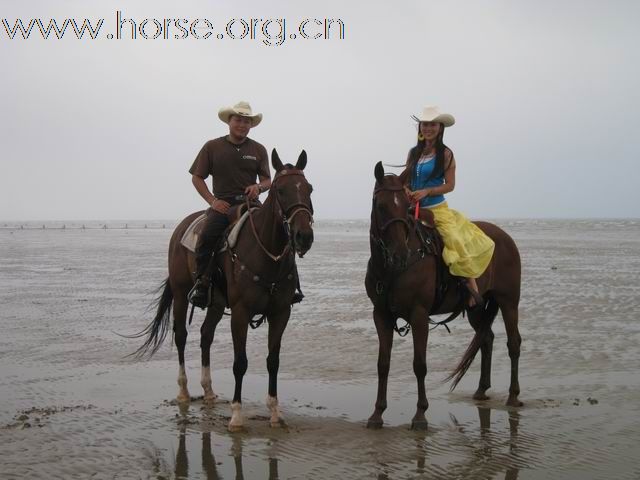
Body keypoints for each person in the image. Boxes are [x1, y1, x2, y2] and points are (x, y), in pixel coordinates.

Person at [401, 105, 495, 307]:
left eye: (433, 125)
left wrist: (427, 192)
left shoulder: (446, 154)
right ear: (420, 127)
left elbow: (450, 185)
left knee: (454, 240)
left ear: (440, 128)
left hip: (437, 209)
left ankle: (471, 286)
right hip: (412, 208)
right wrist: (408, 191)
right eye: (425, 124)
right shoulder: (413, 153)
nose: (428, 128)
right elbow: (406, 181)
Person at [188, 101, 271, 308]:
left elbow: (268, 180)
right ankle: (202, 283)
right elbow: (197, 178)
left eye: (246, 121)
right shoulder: (212, 147)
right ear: (229, 121)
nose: (242, 125)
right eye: (238, 120)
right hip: (223, 206)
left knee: (279, 231)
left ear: (251, 125)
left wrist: (258, 188)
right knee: (207, 237)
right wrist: (213, 201)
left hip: (251, 205)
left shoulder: (259, 149)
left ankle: (290, 284)